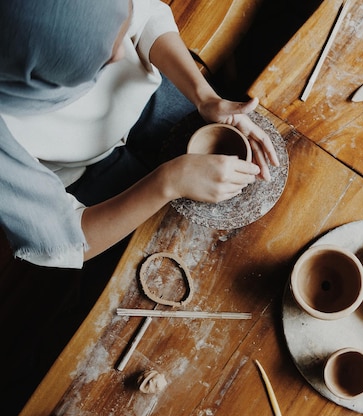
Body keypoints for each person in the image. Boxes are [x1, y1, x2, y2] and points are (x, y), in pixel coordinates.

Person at [0, 0, 279, 269]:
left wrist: (203, 95)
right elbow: (59, 242)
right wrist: (167, 182)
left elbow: (144, 18)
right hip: (85, 173)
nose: (119, 54)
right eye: (98, 61)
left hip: (143, 94)